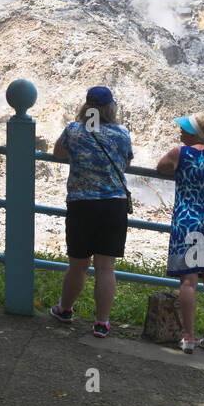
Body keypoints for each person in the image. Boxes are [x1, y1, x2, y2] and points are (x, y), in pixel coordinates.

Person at [49, 86, 133, 338]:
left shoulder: (74, 131)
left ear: (86, 107)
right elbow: (126, 162)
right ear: (111, 108)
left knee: (77, 265)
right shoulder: (121, 133)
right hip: (113, 206)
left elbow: (58, 153)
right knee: (106, 268)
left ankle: (65, 309)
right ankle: (101, 323)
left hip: (81, 205)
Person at [156, 114, 204, 355]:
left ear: (193, 134)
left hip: (187, 221)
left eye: (184, 129)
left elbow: (161, 167)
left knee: (188, 281)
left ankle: (188, 337)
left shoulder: (179, 152)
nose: (180, 132)